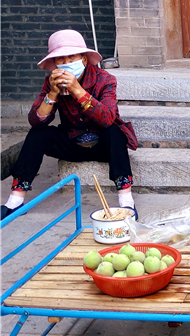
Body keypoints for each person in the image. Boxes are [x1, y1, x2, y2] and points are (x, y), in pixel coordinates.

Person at [1, 29, 138, 220]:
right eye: (60, 60)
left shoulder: (105, 80)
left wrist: (77, 90)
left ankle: (126, 201)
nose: (66, 64)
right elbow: (36, 120)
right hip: (72, 142)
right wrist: (52, 94)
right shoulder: (51, 82)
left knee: (114, 131)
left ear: (83, 58)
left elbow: (107, 117)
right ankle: (15, 202)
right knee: (38, 134)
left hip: (102, 144)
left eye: (71, 57)